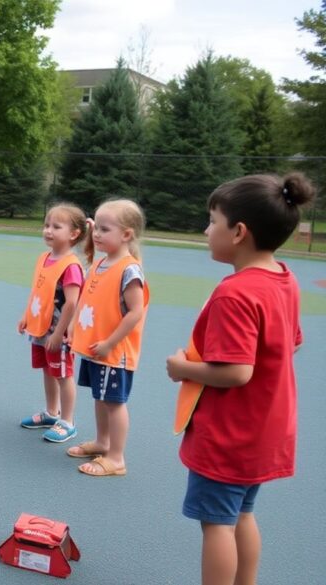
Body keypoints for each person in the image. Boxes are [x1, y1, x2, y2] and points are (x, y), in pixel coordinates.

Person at [166, 173, 311, 585]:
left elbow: (236, 372)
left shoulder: (236, 292)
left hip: (231, 434)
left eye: (213, 221)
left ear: (239, 231)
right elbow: (290, 344)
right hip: (266, 431)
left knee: (216, 525)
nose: (206, 230)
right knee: (241, 513)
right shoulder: (284, 278)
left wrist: (183, 369)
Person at [65, 199, 149, 476]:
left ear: (126, 234)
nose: (97, 234)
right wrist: (74, 331)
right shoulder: (100, 263)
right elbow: (90, 303)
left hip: (113, 352)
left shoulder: (129, 269)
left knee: (114, 402)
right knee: (100, 398)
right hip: (95, 349)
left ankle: (116, 457)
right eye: (95, 228)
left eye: (104, 229)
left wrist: (111, 343)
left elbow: (135, 312)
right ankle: (103, 442)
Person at [17, 203, 87, 443]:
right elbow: (39, 290)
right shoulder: (44, 258)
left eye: (56, 226)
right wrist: (27, 316)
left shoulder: (71, 266)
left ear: (74, 233)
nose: (48, 230)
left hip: (58, 332)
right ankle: (51, 412)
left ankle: (68, 421)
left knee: (63, 374)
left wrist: (58, 334)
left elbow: (71, 303)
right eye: (46, 225)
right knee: (48, 370)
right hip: (41, 328)